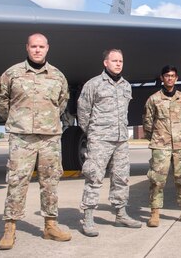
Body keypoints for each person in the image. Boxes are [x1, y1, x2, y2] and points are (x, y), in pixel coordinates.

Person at [0, 33, 71, 250]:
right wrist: (16, 119)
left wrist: (47, 122)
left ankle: (50, 226)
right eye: (33, 46)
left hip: (50, 138)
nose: (37, 50)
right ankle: (9, 229)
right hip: (22, 137)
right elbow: (0, 98)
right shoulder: (13, 73)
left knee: (50, 182)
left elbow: (62, 102)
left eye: (41, 46)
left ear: (48, 48)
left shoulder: (57, 76)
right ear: (27, 48)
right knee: (17, 181)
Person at [78, 49, 141, 236]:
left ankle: (121, 214)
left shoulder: (126, 86)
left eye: (121, 60)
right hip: (100, 140)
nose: (118, 64)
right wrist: (93, 134)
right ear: (105, 63)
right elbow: (83, 112)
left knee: (121, 178)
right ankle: (88, 218)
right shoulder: (94, 84)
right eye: (114, 60)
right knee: (94, 177)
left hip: (121, 140)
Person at [143, 65, 181, 226]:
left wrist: (179, 135)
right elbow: (147, 123)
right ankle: (154, 214)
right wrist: (156, 138)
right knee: (157, 180)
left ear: (176, 78)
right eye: (167, 75)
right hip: (160, 146)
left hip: (180, 146)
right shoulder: (154, 99)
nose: (170, 78)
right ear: (162, 78)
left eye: (173, 75)